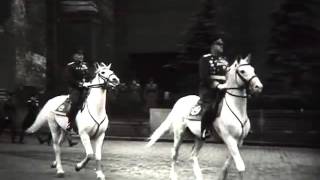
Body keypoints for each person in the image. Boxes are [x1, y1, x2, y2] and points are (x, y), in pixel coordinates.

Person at [197, 38, 229, 139]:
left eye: (222, 44)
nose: (221, 46)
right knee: (211, 106)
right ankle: (205, 130)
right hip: (209, 89)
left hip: (224, 87)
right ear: (212, 46)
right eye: (219, 44)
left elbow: (228, 75)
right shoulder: (205, 59)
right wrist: (216, 85)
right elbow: (204, 76)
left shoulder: (224, 60)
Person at [65, 50, 90, 132]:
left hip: (86, 87)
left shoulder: (85, 65)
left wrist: (88, 82)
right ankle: (70, 123)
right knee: (75, 103)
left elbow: (88, 76)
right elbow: (69, 78)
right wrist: (80, 84)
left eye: (82, 55)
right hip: (75, 88)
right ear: (74, 56)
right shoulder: (70, 66)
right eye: (78, 55)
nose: (81, 57)